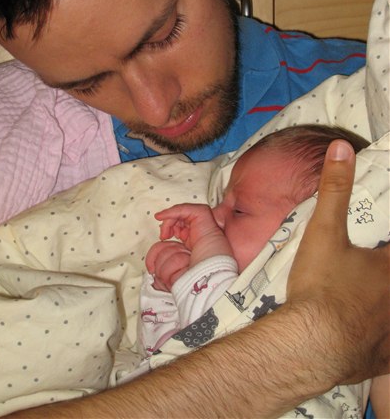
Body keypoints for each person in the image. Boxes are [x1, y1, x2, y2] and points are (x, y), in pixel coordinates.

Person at [0, 0, 388, 417]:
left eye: (162, 34)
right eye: (84, 83)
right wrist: (304, 350)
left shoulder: (369, 112)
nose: (154, 110)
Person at [139, 125, 388, 418]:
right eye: (221, 203)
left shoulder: (300, 296)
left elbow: (215, 339)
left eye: (239, 211)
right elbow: (166, 363)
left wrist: (203, 258)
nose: (213, 217)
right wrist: (168, 288)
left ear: (304, 234)